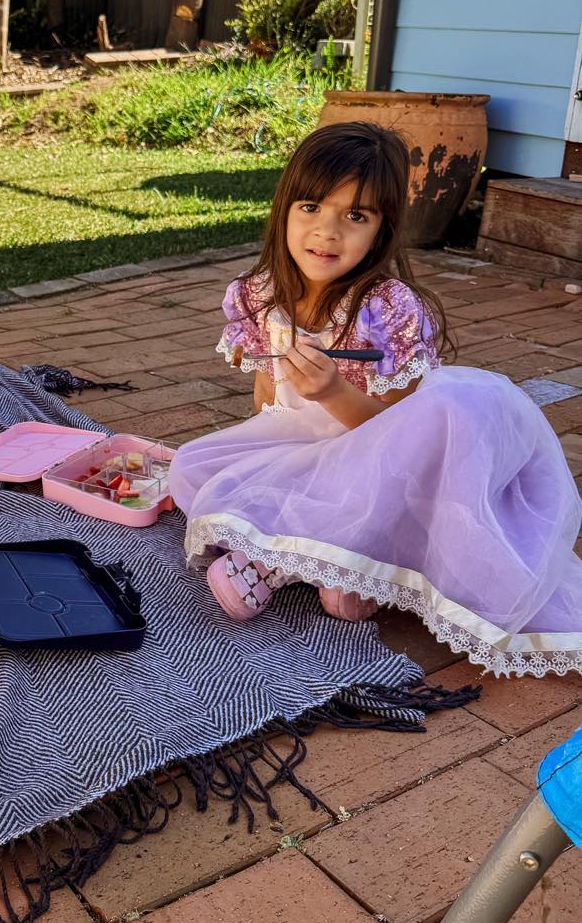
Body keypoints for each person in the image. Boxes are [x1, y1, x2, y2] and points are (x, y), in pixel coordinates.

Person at [169, 121, 582, 677]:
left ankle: (303, 564)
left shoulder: (386, 307)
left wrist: (334, 391)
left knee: (440, 419)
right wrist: (268, 474)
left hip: (387, 452)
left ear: (381, 231)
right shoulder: (257, 293)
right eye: (311, 207)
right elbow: (267, 396)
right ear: (284, 207)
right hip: (307, 441)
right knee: (195, 469)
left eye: (355, 216)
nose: (327, 232)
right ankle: (339, 570)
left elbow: (400, 429)